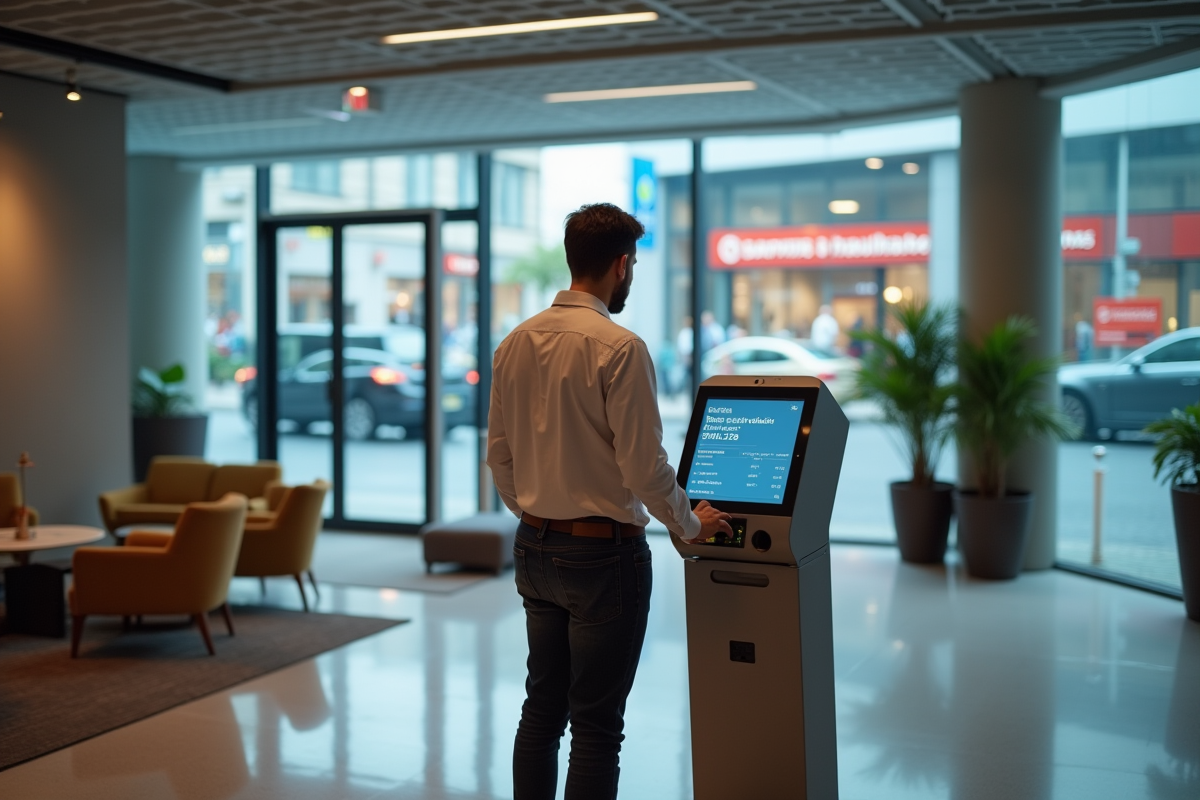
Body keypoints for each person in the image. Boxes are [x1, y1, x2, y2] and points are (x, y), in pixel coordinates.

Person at [488, 203, 733, 800]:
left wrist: (539, 513)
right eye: (634, 266)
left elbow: (499, 456)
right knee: (596, 727)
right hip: (602, 559)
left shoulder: (514, 343)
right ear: (622, 265)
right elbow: (644, 468)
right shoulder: (620, 348)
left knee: (541, 708)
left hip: (534, 548)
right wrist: (689, 523)